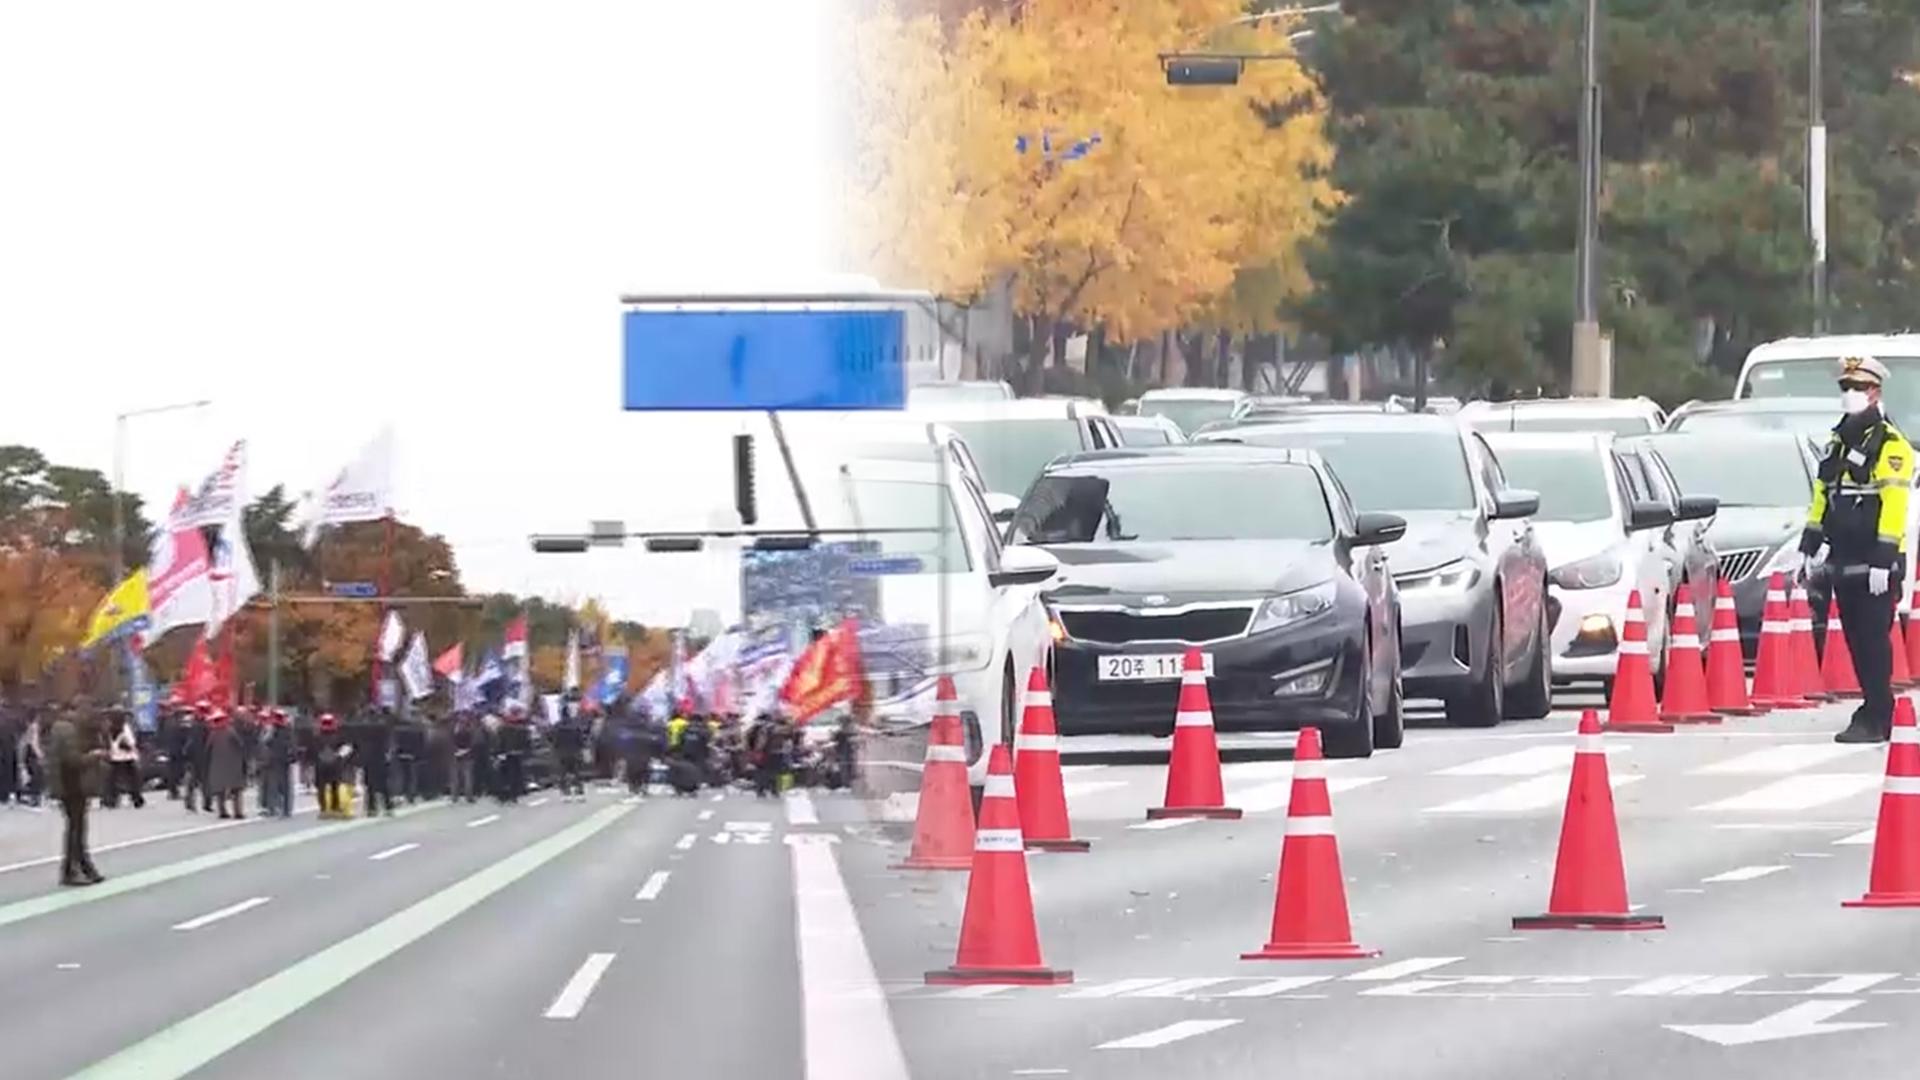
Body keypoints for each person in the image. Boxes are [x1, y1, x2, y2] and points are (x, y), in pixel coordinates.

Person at [1800, 354, 1915, 744]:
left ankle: (1879, 713)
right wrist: (1811, 539)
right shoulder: (1838, 439)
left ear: (1875, 393)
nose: (1849, 394)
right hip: (1843, 556)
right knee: (1854, 637)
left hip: (1874, 558)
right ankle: (1872, 706)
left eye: (1857, 388)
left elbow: (1895, 505)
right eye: (1845, 388)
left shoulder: (1890, 444)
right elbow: (1824, 492)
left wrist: (1886, 557)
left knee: (1872, 637)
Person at [47, 709, 104, 886]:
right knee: (76, 829)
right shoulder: (68, 731)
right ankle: (73, 869)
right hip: (72, 786)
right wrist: (93, 757)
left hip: (68, 785)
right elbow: (73, 760)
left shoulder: (60, 729)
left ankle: (81, 866)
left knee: (76, 828)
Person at [206, 708, 247, 819]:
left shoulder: (213, 734)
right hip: (233, 765)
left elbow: (207, 750)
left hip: (218, 765)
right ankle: (238, 812)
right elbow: (240, 745)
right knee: (236, 790)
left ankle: (222, 811)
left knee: (221, 791)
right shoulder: (231, 731)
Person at [313, 713, 352, 819]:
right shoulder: (338, 736)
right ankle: (335, 807)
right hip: (335, 764)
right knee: (334, 786)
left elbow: (312, 750)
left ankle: (324, 809)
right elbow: (347, 748)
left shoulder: (317, 736)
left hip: (321, 764)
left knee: (321, 787)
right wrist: (340, 757)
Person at [258, 708, 294, 818]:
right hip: (276, 761)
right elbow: (265, 742)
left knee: (282, 786)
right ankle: (275, 808)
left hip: (281, 761)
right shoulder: (274, 730)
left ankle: (284, 809)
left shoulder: (286, 730)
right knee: (275, 786)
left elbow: (265, 741)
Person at [104, 710, 144, 809]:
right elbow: (131, 741)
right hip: (128, 756)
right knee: (133, 779)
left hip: (115, 756)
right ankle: (136, 798)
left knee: (112, 779)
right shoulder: (125, 727)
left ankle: (111, 800)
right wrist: (134, 749)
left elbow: (108, 741)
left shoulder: (110, 728)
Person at [359, 709, 395, 817]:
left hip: (369, 759)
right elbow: (387, 743)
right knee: (383, 785)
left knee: (370, 786)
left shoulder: (364, 728)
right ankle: (388, 807)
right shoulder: (382, 727)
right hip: (380, 758)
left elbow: (361, 744)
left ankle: (371, 808)